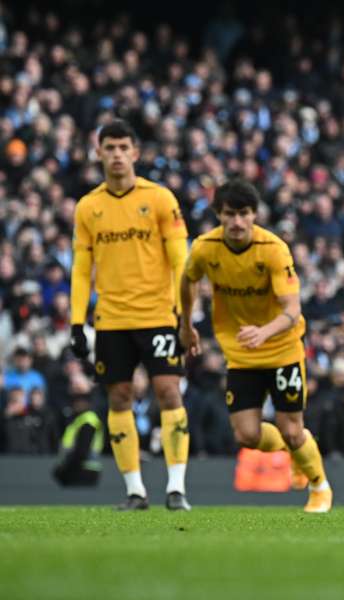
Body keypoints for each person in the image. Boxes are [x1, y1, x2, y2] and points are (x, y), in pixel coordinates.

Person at [179, 179, 332, 513]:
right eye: (230, 214)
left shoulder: (273, 249)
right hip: (242, 352)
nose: (236, 222)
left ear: (254, 215)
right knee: (247, 436)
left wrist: (265, 332)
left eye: (244, 214)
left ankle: (320, 487)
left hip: (283, 350)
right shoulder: (205, 248)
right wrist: (186, 324)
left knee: (292, 430)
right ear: (218, 214)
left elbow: (293, 310)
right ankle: (299, 450)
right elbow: (188, 279)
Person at [69, 119, 191, 511]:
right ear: (99, 153)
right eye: (110, 148)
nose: (117, 154)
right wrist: (76, 321)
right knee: (118, 396)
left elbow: (179, 259)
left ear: (135, 153)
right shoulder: (88, 207)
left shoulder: (159, 199)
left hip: (157, 314)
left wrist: (182, 312)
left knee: (168, 391)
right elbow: (80, 268)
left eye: (124, 147)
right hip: (111, 320)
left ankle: (176, 488)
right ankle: (135, 491)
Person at [53, 391, 103, 487]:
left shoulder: (88, 421)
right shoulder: (79, 420)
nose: (74, 404)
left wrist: (66, 467)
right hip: (84, 468)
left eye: (78, 402)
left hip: (83, 469)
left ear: (85, 403)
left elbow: (82, 451)